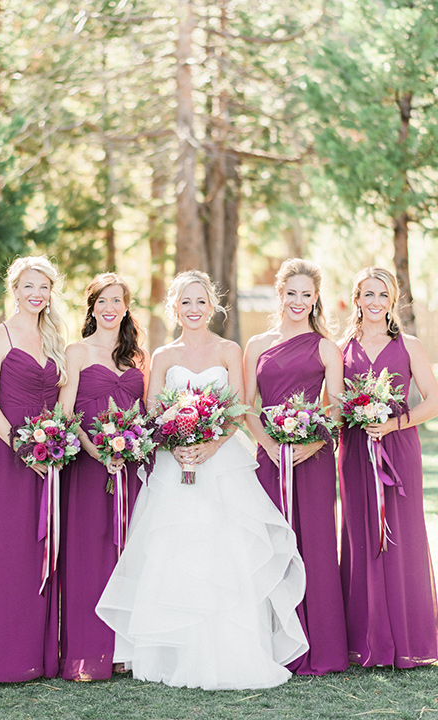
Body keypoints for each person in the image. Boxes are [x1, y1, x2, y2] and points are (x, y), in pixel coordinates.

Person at [96, 269, 308, 690]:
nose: (193, 310)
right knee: (175, 549)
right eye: (185, 302)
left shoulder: (229, 349)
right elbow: (154, 408)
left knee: (225, 550)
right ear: (174, 307)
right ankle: (173, 651)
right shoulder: (163, 355)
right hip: (176, 463)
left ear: (212, 306)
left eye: (201, 302)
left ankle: (232, 650)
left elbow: (241, 407)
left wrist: (210, 446)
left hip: (223, 462)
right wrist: (175, 443)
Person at [0, 255, 67, 683]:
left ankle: (32, 656)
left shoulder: (55, 336)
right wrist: (25, 447)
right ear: (14, 289)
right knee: (4, 549)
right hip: (9, 454)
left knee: (37, 551)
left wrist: (55, 442)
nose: (36, 295)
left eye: (43, 287)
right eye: (28, 286)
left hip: (52, 456)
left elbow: (62, 397)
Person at [244, 258, 348, 675]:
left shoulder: (326, 346)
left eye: (307, 294)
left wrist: (316, 438)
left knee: (317, 544)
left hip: (313, 460)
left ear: (316, 297)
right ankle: (273, 645)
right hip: (269, 458)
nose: (299, 301)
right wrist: (267, 443)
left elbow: (337, 408)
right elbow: (243, 405)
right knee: (272, 543)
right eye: (292, 293)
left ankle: (321, 647)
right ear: (280, 294)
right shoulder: (257, 345)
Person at [339, 266, 438, 668]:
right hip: (355, 450)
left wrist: (393, 422)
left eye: (382, 295)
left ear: (392, 299)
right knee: (361, 533)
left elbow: (432, 400)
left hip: (398, 447)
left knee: (403, 534)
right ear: (357, 299)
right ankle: (365, 639)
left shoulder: (410, 344)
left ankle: (408, 638)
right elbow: (332, 400)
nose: (375, 302)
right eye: (368, 294)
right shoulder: (341, 346)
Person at [59, 273, 150, 681]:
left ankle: (125, 651)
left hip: (129, 469)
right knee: (88, 554)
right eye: (102, 301)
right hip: (89, 465)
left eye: (117, 301)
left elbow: (144, 413)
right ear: (92, 306)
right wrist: (96, 450)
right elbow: (66, 412)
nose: (110, 308)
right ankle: (88, 650)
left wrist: (131, 447)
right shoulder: (75, 352)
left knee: (128, 553)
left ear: (126, 307)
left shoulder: (137, 357)